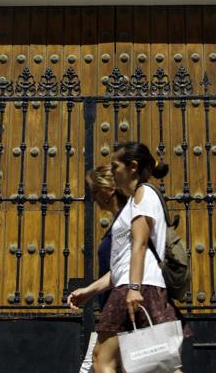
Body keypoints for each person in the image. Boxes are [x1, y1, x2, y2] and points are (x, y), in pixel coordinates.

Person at [68, 142, 185, 373]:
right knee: (155, 363)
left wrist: (134, 288)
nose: (112, 172)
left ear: (132, 167)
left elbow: (140, 245)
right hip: (133, 286)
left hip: (140, 287)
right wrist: (89, 291)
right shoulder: (133, 202)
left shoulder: (144, 192)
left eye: (115, 166)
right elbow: (122, 264)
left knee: (105, 360)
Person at [75, 164, 127, 373]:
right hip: (113, 307)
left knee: (96, 363)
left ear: (110, 189)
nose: (94, 197)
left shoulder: (126, 221)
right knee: (93, 364)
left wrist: (89, 291)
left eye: (96, 190)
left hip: (122, 307)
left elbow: (122, 269)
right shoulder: (119, 222)